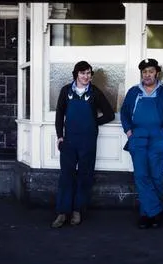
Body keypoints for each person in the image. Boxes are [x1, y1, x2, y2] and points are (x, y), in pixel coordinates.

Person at [51, 61, 115, 228]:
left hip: (88, 141)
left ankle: (77, 211)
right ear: (76, 74)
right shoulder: (66, 91)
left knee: (85, 176)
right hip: (69, 140)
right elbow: (59, 115)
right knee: (66, 176)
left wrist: (94, 123)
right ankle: (62, 213)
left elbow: (109, 114)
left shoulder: (95, 92)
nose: (86, 76)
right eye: (82, 73)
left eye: (88, 73)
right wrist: (59, 136)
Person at [120, 58, 163, 229]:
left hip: (159, 137)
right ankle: (154, 212)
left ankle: (149, 214)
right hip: (138, 137)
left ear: (157, 73)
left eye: (151, 71)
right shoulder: (134, 92)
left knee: (157, 176)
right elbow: (124, 114)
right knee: (141, 176)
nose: (147, 75)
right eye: (144, 72)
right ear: (142, 73)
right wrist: (129, 132)